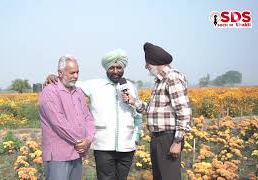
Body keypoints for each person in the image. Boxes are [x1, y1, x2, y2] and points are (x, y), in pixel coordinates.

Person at [45, 49, 142, 180]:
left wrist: (136, 136)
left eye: (119, 67)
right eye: (111, 67)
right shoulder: (94, 85)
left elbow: (137, 116)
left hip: (127, 145)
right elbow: (70, 81)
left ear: (123, 68)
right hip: (103, 145)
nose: (115, 71)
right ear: (106, 69)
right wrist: (55, 77)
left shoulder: (130, 86)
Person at [123, 42, 191, 180]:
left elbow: (183, 112)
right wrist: (133, 101)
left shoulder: (172, 78)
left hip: (168, 137)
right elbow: (152, 109)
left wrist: (177, 141)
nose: (146, 66)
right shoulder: (160, 81)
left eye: (147, 63)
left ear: (155, 62)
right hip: (158, 138)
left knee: (169, 177)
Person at [39, 54, 95, 180]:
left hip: (76, 152)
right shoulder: (50, 92)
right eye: (72, 73)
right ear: (60, 72)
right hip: (59, 155)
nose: (75, 76)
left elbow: (88, 118)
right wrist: (81, 142)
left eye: (77, 72)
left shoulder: (78, 91)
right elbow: (59, 124)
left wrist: (88, 140)